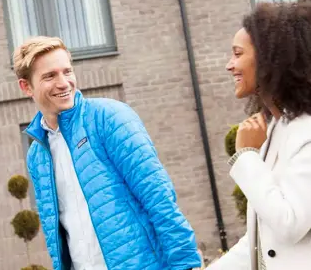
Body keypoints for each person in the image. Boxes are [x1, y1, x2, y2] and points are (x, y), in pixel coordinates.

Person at [208, 0, 311, 270]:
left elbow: (289, 223)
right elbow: (263, 240)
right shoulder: (279, 128)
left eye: (238, 54)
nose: (229, 65)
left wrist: (246, 156)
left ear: (272, 61)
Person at [14, 36, 201, 270]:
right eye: (50, 76)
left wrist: (185, 263)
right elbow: (57, 236)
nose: (64, 83)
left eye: (67, 71)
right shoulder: (36, 156)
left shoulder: (108, 118)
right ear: (26, 86)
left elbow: (158, 197)